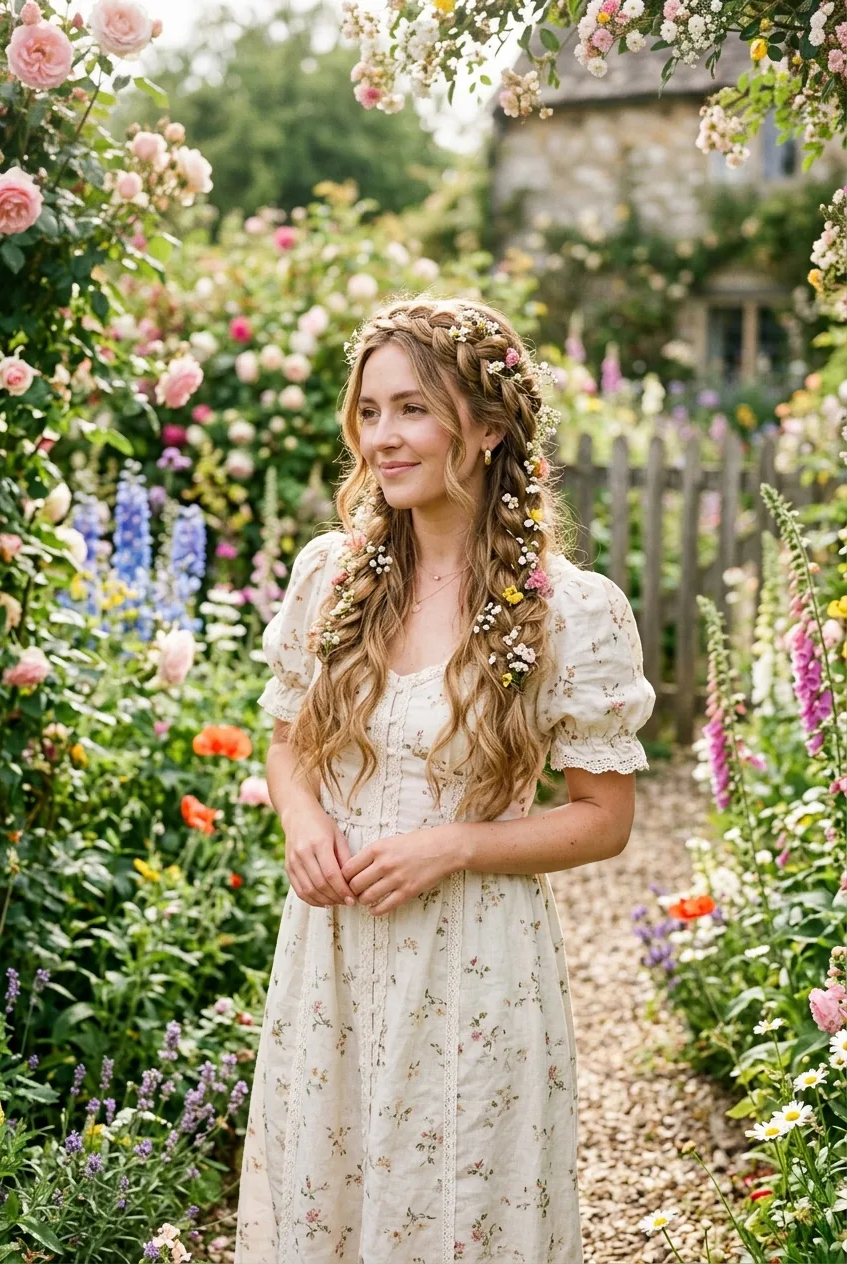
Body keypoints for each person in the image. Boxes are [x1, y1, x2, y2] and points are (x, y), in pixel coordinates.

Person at [234, 296, 657, 1264]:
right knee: (322, 1199)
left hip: (472, 966)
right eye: (370, 411)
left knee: (458, 1204)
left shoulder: (569, 611)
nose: (382, 437)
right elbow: (288, 738)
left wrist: (452, 843)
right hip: (330, 955)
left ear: (488, 427)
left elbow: (601, 819)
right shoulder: (329, 577)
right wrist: (301, 822)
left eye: (412, 410)